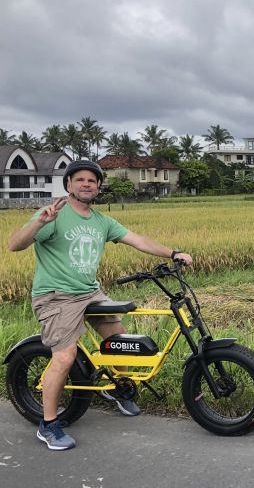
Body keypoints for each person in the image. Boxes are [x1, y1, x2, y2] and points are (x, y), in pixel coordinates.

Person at [8, 160, 193, 451]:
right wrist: (38, 223)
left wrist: (174, 252)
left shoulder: (101, 221)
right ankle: (48, 425)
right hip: (56, 295)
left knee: (117, 338)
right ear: (68, 184)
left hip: (90, 292)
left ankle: (119, 388)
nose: (86, 184)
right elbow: (14, 245)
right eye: (79, 179)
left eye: (91, 181)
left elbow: (138, 240)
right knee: (65, 356)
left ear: (97, 187)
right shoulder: (53, 215)